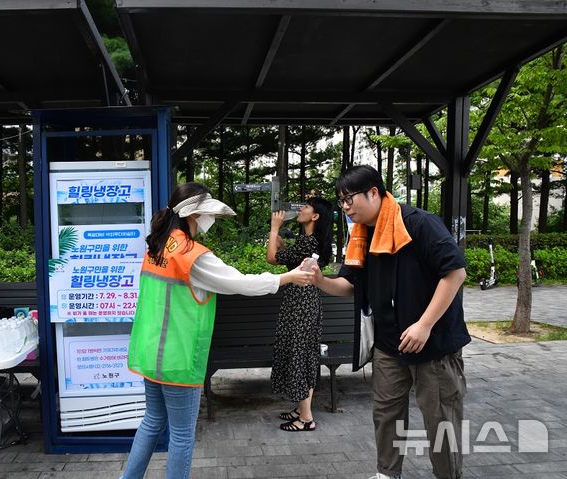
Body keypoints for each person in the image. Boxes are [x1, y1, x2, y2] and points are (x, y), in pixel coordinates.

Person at [121, 182, 314, 479]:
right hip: (178, 360)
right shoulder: (191, 255)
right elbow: (241, 283)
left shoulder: (158, 246)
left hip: (151, 355)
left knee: (151, 422)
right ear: (193, 214)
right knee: (182, 436)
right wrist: (287, 277)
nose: (209, 220)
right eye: (205, 213)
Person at [310, 165, 469, 479]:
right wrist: (319, 280)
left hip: (433, 345)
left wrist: (424, 324)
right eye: (340, 201)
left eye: (348, 198)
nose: (344, 206)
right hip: (389, 345)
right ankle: (387, 473)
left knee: (440, 419)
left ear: (373, 192)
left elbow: (455, 273)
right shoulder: (361, 236)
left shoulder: (420, 224)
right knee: (386, 414)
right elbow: (349, 285)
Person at [267, 197, 333, 432]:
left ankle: (306, 418)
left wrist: (274, 228)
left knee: (299, 355)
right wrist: (282, 245)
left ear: (315, 216)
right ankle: (302, 409)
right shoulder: (309, 242)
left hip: (300, 305)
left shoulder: (308, 243)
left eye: (305, 207)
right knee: (305, 354)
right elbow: (288, 260)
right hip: (306, 303)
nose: (300, 210)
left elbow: (271, 258)